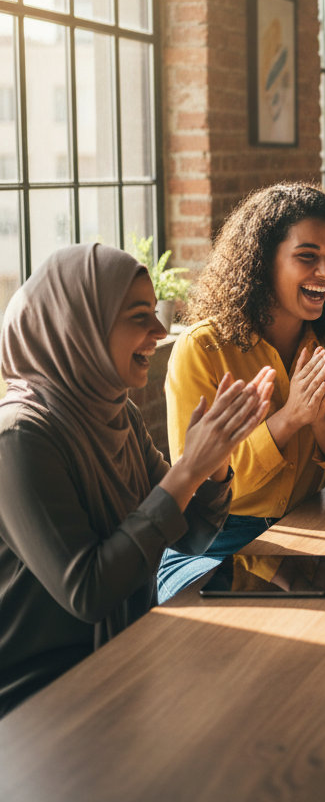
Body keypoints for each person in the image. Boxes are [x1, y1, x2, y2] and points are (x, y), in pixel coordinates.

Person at [0, 244, 274, 717]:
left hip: (129, 655)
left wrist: (215, 465)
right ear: (78, 328)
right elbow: (87, 592)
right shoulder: (21, 438)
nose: (159, 332)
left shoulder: (114, 410)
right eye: (138, 316)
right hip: (43, 699)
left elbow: (190, 535)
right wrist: (187, 469)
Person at [157, 183, 325, 601]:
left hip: (305, 531)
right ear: (262, 263)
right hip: (209, 544)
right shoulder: (202, 349)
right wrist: (289, 418)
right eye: (307, 257)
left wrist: (321, 420)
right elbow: (195, 492)